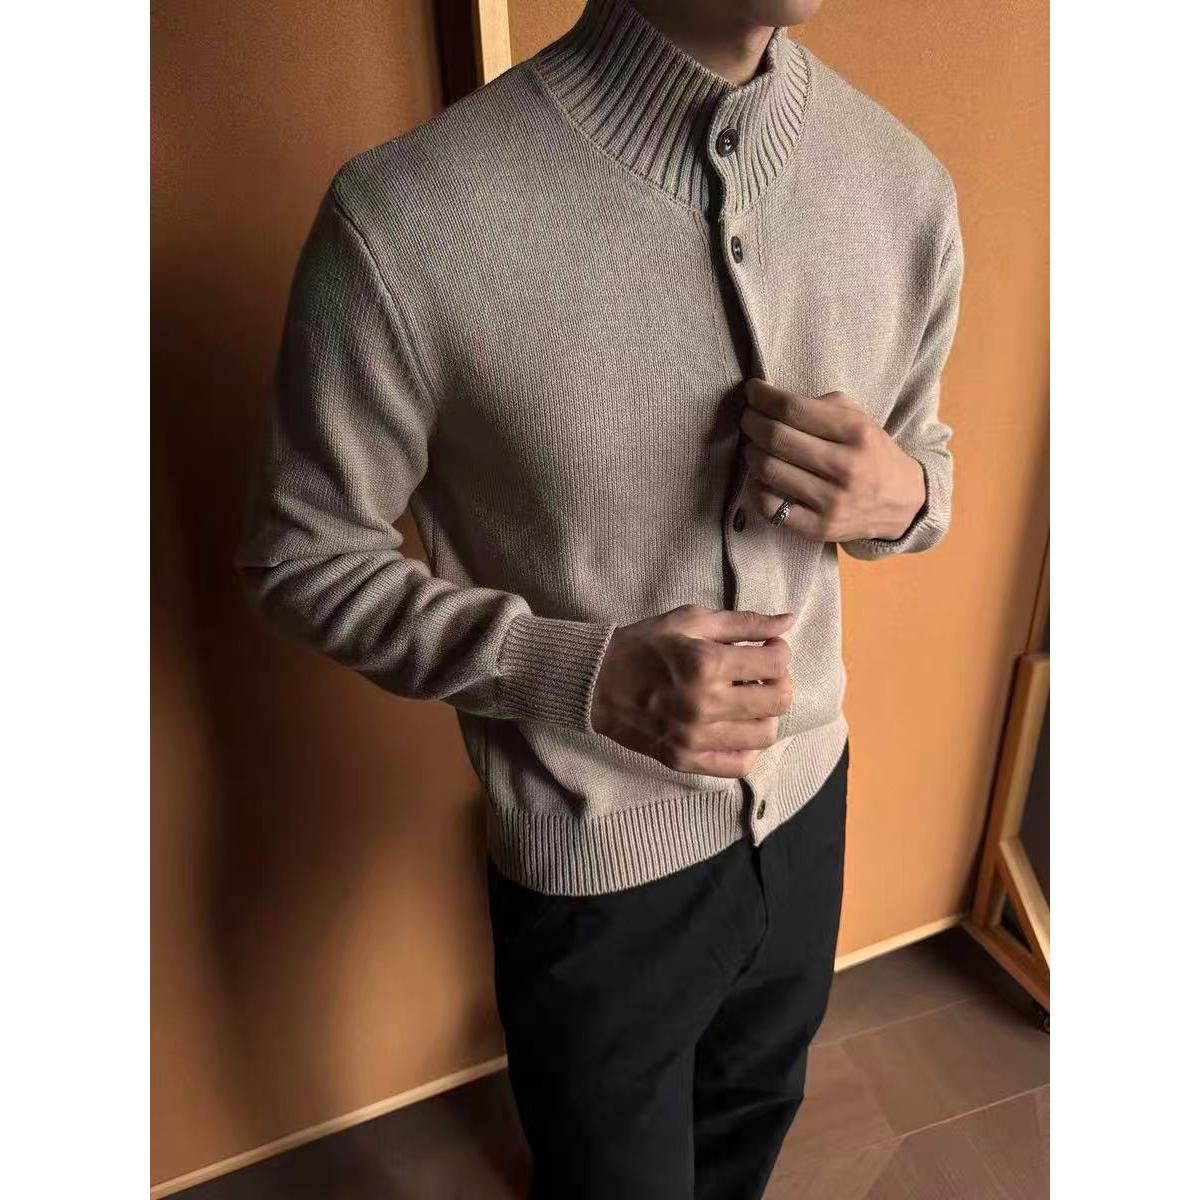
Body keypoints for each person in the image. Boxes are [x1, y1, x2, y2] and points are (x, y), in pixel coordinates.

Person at [235, 0, 964, 1194]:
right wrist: (579, 674)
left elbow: (920, 456)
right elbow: (301, 556)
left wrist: (907, 497)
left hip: (810, 806)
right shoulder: (408, 219)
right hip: (592, 865)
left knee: (748, 1145)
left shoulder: (905, 185)